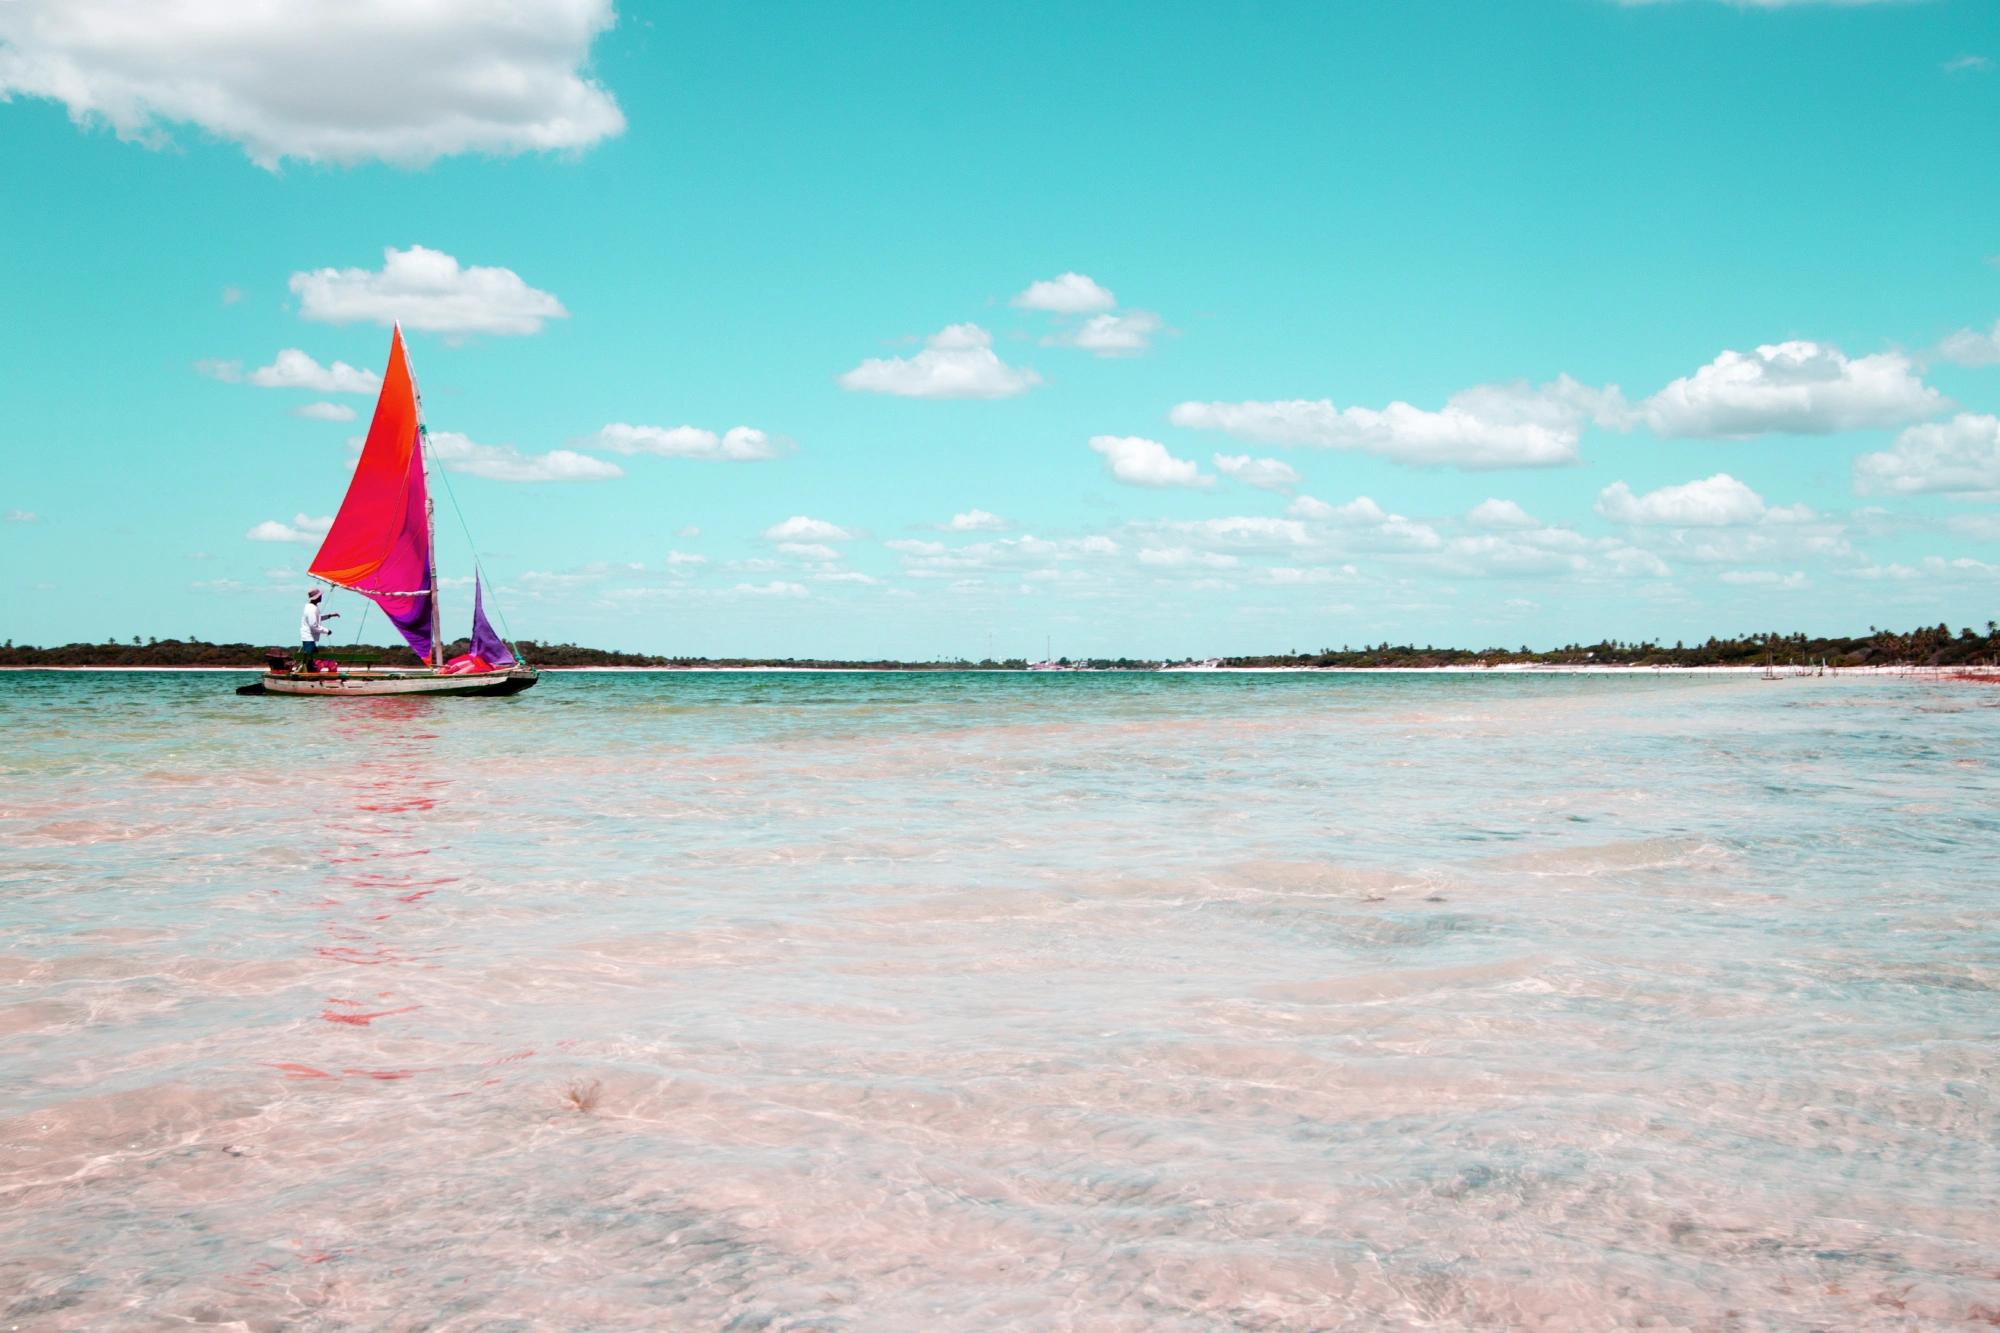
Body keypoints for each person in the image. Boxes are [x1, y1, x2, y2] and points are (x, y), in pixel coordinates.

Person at [298, 587, 339, 672]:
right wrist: (326, 631)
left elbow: (318, 619)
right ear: (316, 597)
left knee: (314, 657)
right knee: (310, 660)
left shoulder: (311, 607)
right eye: (320, 596)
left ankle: (311, 674)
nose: (321, 597)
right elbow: (313, 625)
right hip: (308, 638)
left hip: (310, 638)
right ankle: (309, 676)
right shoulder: (311, 609)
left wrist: (330, 615)